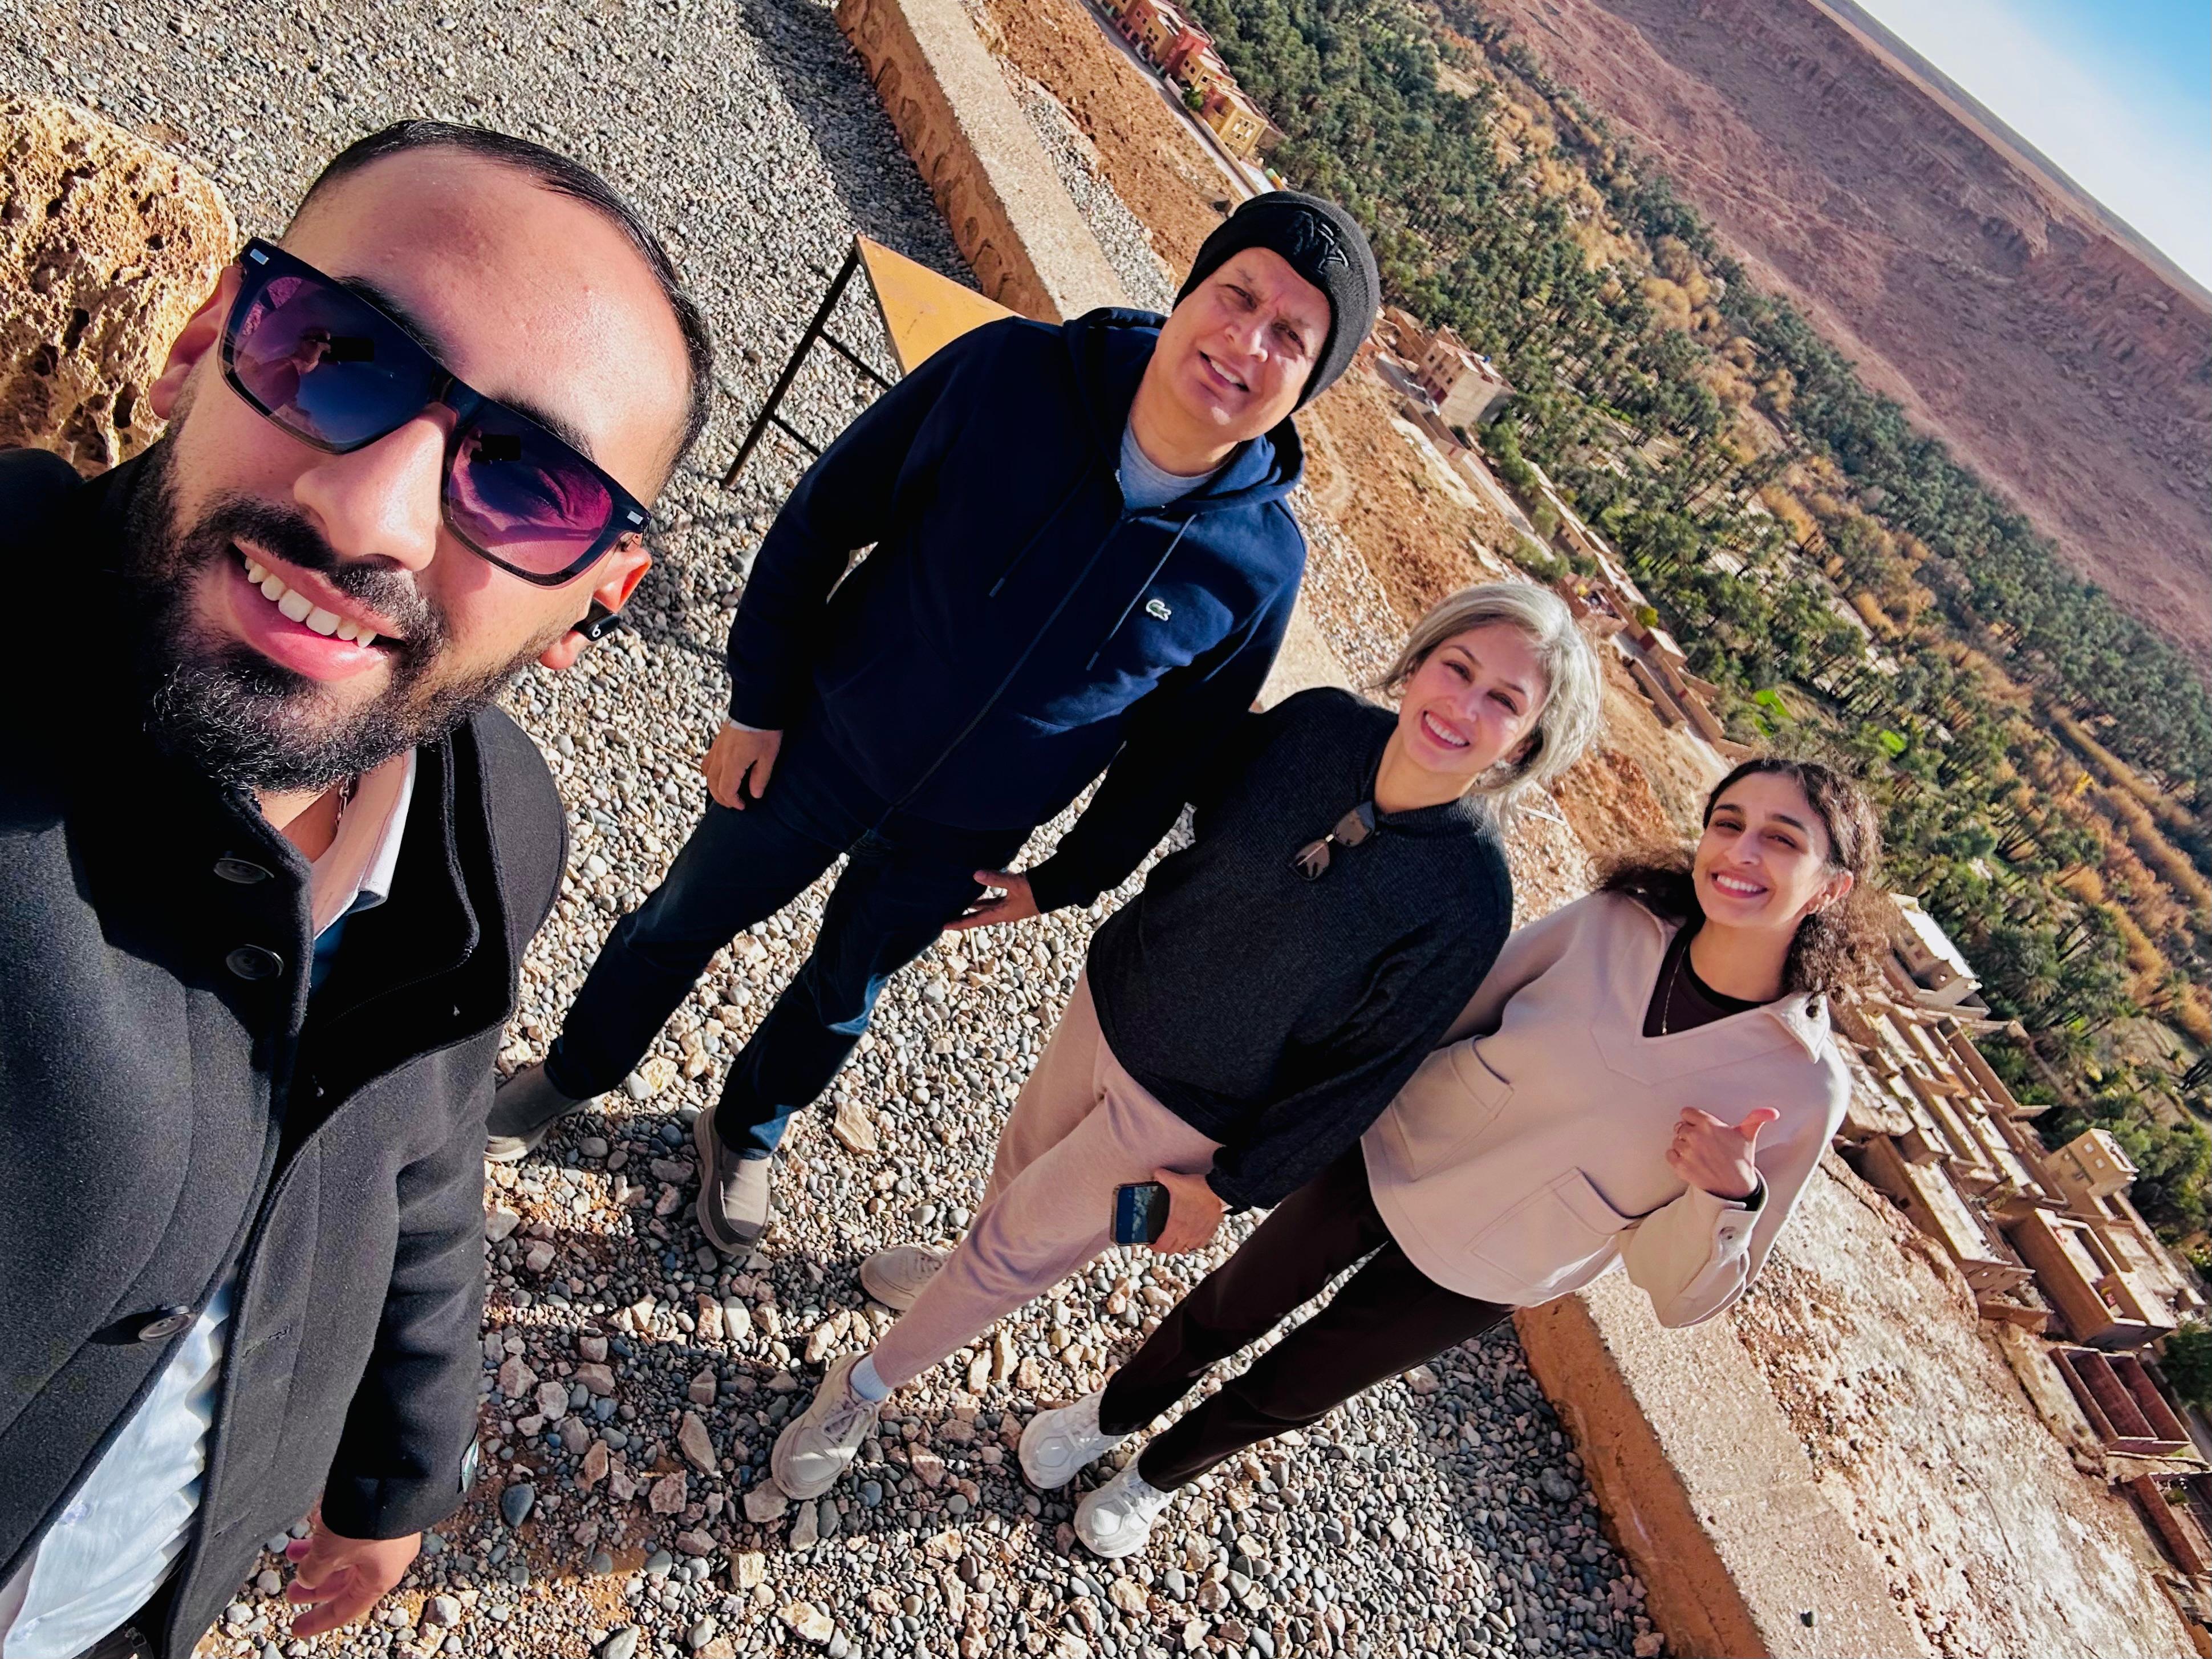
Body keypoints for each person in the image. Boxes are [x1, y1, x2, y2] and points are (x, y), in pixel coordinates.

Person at [0, 122, 712, 1657]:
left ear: (598, 600)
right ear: (206, 338)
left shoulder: (500, 822)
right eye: (336, 352)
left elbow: (426, 1153)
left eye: (522, 488)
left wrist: (398, 1467)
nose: (369, 514)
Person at [485, 193, 1385, 1252]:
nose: (1247, 339)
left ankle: (744, 1127)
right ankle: (577, 1069)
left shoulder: (1260, 564)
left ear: (1308, 384)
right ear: (1192, 288)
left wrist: (1068, 877)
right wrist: (760, 700)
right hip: (817, 741)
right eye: (1239, 295)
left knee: (839, 996)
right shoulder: (1013, 375)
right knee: (681, 917)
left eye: (1291, 336)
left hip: (963, 835)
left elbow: (1174, 752)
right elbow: (825, 516)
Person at [767, 583, 1605, 1505]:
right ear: (1418, 664)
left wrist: (1230, 1188)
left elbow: (1359, 1077)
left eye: (1503, 702)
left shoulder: (1469, 898)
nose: (1464, 706)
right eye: (1459, 668)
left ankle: (861, 1389)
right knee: (1019, 1164)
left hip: (1183, 1117)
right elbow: (1175, 783)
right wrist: (1058, 883)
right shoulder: (1319, 728)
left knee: (1024, 1248)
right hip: (1114, 994)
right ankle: (952, 1277)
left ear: (1523, 746)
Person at [1028, 756, 1886, 1557]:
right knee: (1228, 1305)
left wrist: (1727, 1194)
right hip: (1395, 1151)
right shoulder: (1613, 922)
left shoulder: (1804, 1087)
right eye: (1728, 822)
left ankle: (1154, 1478)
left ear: (1831, 887)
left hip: (1501, 1257)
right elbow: (1456, 1009)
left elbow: (1683, 1293)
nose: (1740, 851)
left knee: (1299, 1383)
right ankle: (1106, 1414)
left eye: (1781, 839)